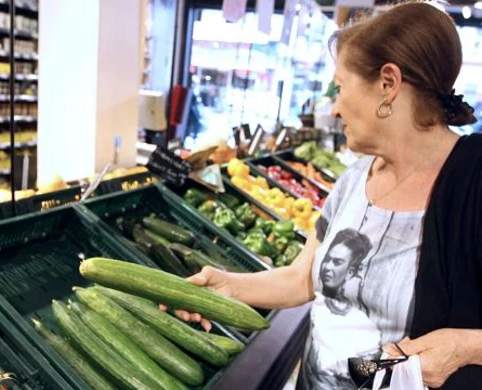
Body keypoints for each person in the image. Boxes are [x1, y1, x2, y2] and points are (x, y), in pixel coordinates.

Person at [164, 2, 481, 389]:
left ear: (388, 83)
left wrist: (464, 346)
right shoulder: (356, 177)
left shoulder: (473, 182)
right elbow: (302, 279)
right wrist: (228, 287)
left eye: (341, 87)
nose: (333, 108)